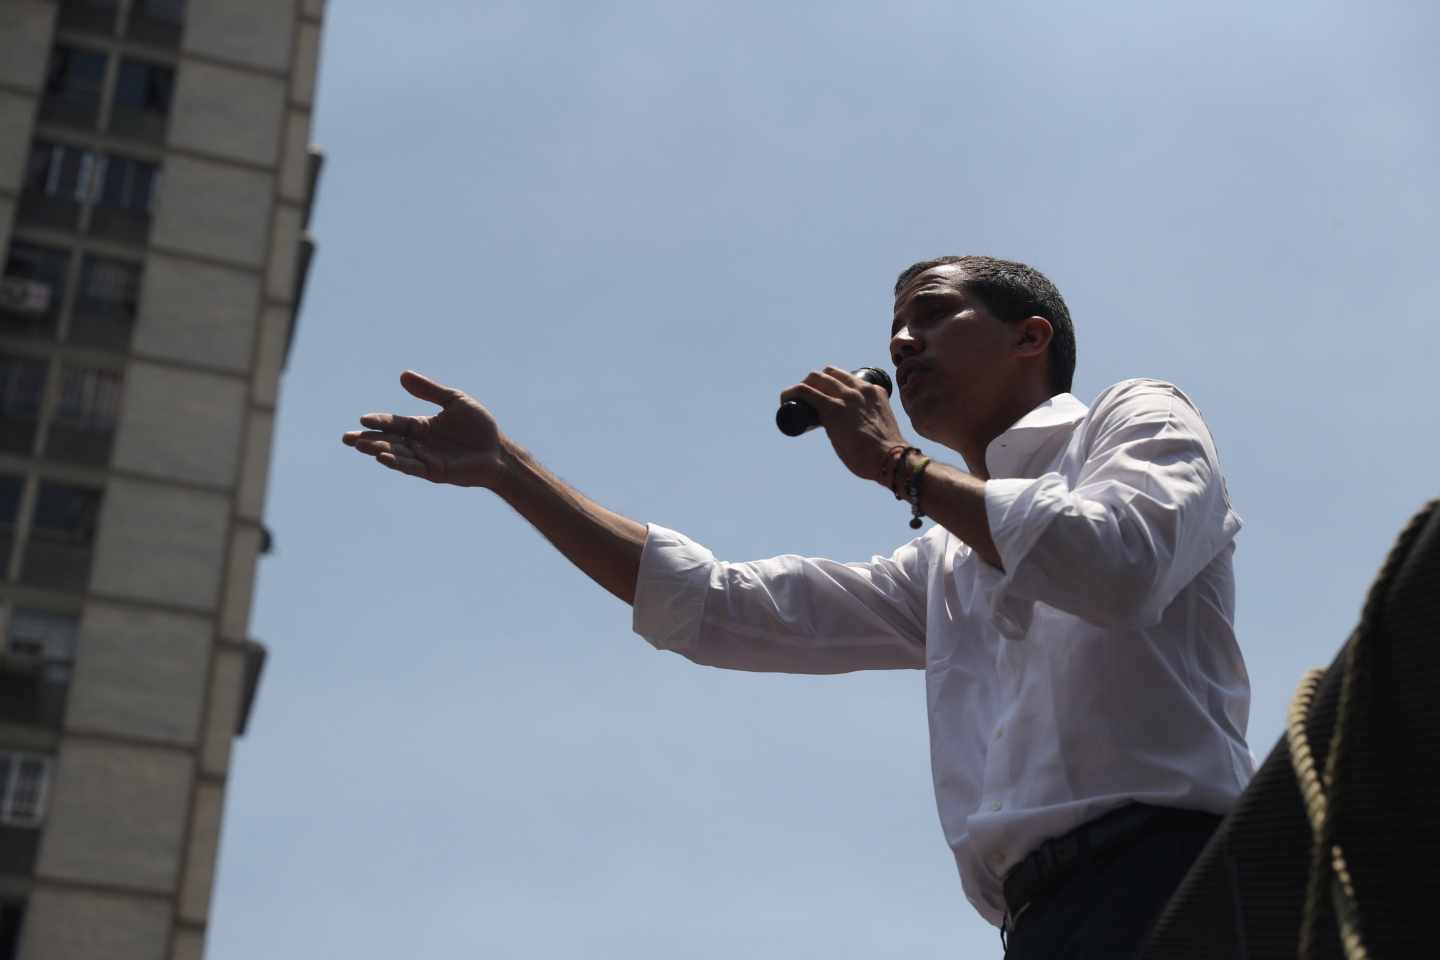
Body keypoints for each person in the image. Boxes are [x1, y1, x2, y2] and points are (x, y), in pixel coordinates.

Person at [341, 255, 1252, 958]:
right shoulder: (941, 563)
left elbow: (1118, 562)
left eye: (933, 315)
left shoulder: (1137, 416)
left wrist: (899, 467)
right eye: (896, 329)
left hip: (1179, 882)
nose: (902, 344)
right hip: (1041, 926)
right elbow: (712, 606)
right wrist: (510, 473)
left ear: (1031, 337)